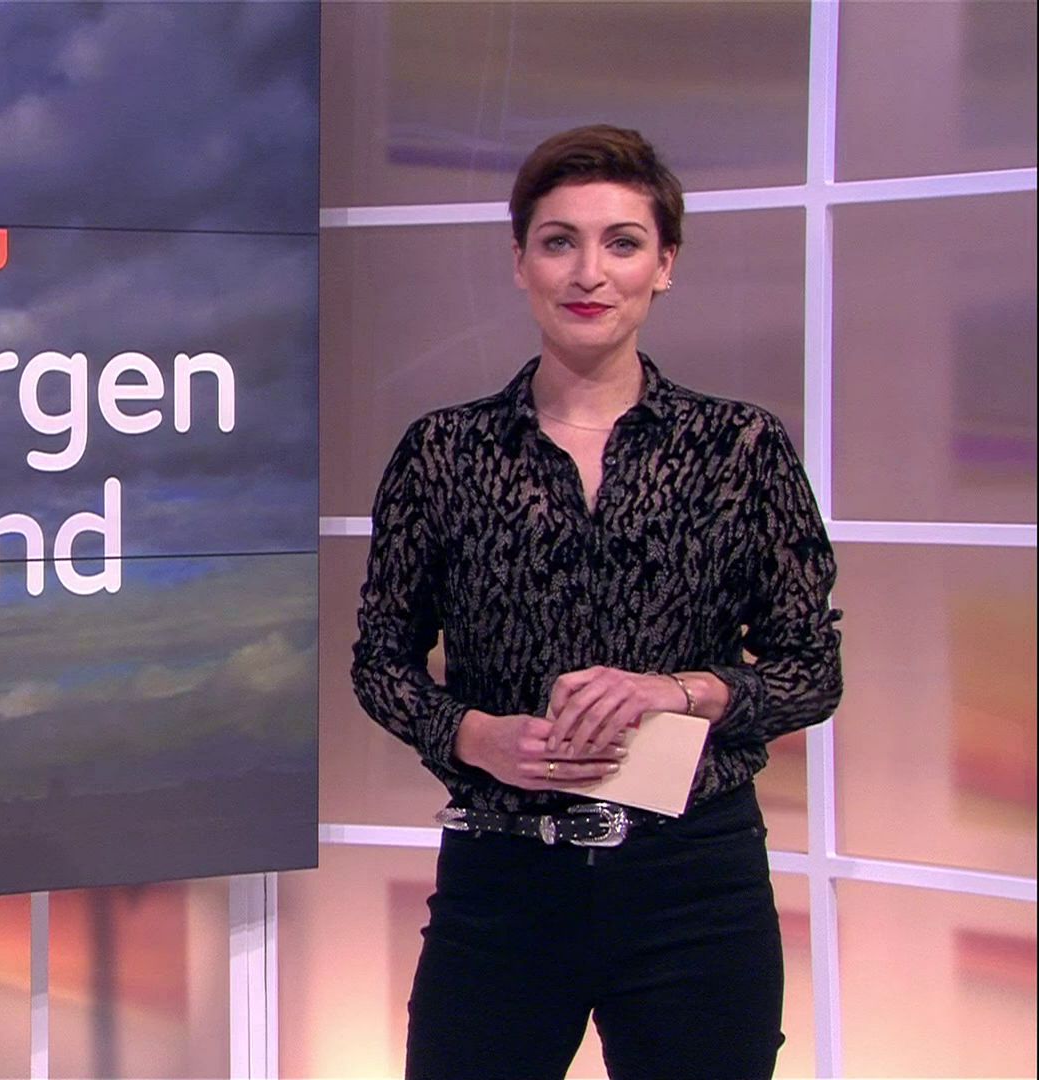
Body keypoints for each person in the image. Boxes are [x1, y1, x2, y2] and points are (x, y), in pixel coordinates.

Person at [351, 124, 843, 1080]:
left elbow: (811, 670)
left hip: (694, 887)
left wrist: (679, 691)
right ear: (520, 262)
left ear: (665, 265)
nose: (590, 272)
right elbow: (381, 664)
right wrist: (472, 736)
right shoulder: (445, 452)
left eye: (622, 242)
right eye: (559, 241)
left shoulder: (738, 447)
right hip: (503, 881)